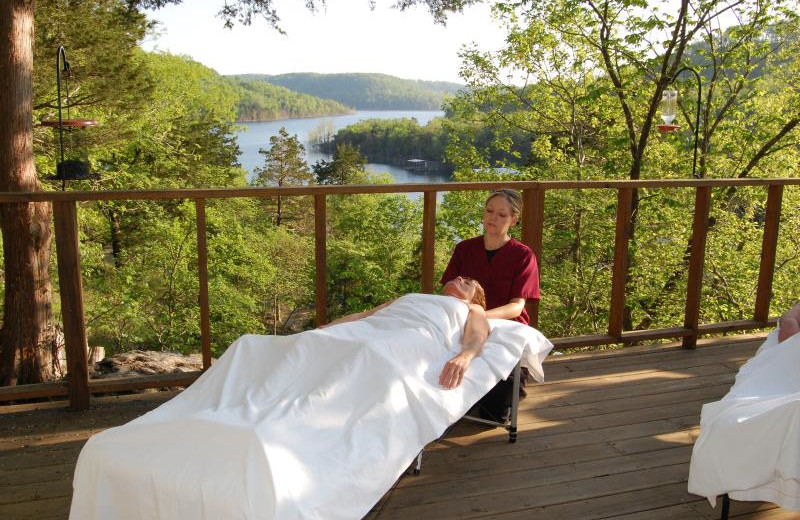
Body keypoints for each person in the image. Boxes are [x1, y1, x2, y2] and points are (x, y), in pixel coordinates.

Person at [441, 188, 540, 420]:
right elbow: (447, 291)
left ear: (513, 220)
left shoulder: (523, 256)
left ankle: (510, 384)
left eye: (501, 215)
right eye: (489, 211)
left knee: (494, 413)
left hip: (505, 325)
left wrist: (480, 316)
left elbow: (517, 306)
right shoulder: (464, 249)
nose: (492, 218)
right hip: (463, 322)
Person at [323, 276, 490, 390]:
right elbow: (363, 315)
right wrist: (325, 328)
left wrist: (465, 356)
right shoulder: (415, 296)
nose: (459, 279)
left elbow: (477, 333)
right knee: (320, 339)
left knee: (369, 349)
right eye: (458, 278)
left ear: (474, 299)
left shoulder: (472, 307)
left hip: (414, 333)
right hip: (374, 326)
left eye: (467, 284)